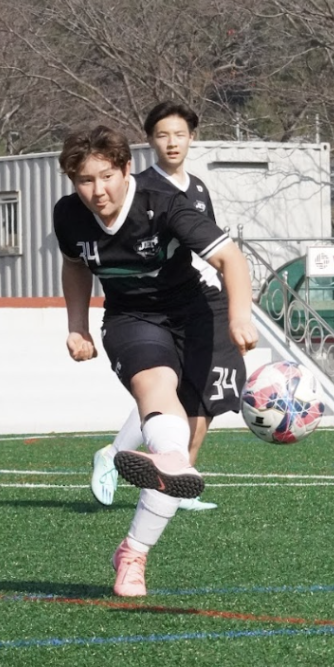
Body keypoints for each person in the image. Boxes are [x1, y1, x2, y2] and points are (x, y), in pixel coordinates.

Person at [53, 124, 258, 597]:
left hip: (198, 313)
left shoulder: (161, 203)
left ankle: (133, 550)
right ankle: (165, 463)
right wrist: (77, 326)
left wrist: (241, 317)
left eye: (106, 176)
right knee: (156, 390)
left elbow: (231, 258)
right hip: (131, 317)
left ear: (126, 169)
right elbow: (74, 264)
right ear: (72, 182)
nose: (97, 190)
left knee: (190, 425)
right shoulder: (68, 215)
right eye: (85, 180)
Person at [90, 100, 220, 512]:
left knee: (188, 391)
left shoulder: (197, 188)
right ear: (149, 141)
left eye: (180, 134)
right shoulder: (140, 188)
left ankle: (173, 480)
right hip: (146, 310)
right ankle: (116, 457)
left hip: (193, 300)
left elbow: (209, 245)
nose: (172, 142)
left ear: (192, 138)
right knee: (165, 388)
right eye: (163, 135)